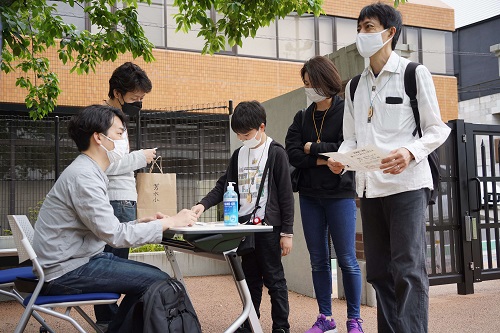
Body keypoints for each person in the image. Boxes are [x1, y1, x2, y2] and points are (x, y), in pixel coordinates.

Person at [328, 3, 451, 333]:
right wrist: (341, 158)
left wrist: (410, 152)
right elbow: (351, 139)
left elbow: (438, 129)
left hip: (407, 185)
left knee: (408, 269)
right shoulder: (353, 86)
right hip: (369, 187)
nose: (362, 34)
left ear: (390, 32)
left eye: (368, 27)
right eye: (360, 28)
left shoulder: (413, 73)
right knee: (379, 271)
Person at [32, 104, 198, 333]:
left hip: (76, 261)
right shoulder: (84, 176)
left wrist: (141, 223)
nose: (123, 141)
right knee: (157, 281)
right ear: (99, 138)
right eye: (119, 133)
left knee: (155, 279)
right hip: (66, 271)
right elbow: (115, 236)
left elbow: (109, 229)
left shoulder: (88, 171)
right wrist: (168, 222)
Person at [191, 101, 294, 333]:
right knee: (250, 280)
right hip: (245, 228)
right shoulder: (239, 154)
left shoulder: (276, 153)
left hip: (269, 228)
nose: (242, 138)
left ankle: (281, 327)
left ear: (261, 127)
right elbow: (224, 185)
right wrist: (202, 205)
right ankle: (250, 324)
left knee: (275, 280)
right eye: (238, 134)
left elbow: (287, 196)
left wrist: (287, 232)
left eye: (246, 134)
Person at [285, 56, 363, 333]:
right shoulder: (302, 116)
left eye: (311, 83)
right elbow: (292, 153)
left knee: (347, 259)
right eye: (305, 84)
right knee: (317, 259)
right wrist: (323, 158)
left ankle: (354, 319)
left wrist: (310, 147)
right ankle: (325, 318)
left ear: (325, 81)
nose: (308, 89)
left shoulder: (346, 112)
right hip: (309, 195)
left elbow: (347, 147)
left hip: (340, 194)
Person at [95, 62, 157, 328]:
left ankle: (110, 319)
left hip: (121, 198)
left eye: (141, 98)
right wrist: (139, 157)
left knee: (113, 262)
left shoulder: (115, 118)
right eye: (135, 97)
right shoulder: (107, 119)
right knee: (114, 265)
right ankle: (111, 321)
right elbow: (104, 163)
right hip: (116, 199)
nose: (139, 102)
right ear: (118, 93)